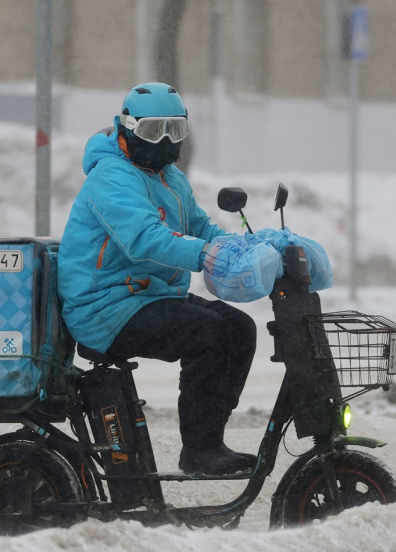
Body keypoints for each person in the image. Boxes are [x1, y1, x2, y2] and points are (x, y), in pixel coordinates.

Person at [58, 82, 257, 476]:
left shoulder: (170, 177)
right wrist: (205, 255)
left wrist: (248, 248)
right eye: (153, 131)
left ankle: (208, 436)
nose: (164, 142)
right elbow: (143, 239)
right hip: (105, 308)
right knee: (209, 334)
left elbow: (199, 226)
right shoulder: (112, 177)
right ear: (128, 127)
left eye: (174, 131)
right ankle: (200, 451)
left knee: (238, 328)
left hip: (147, 296)